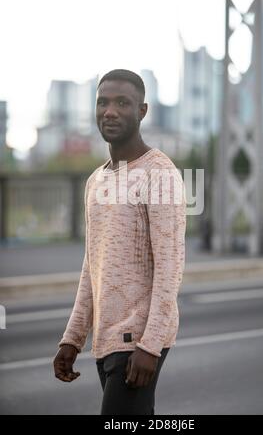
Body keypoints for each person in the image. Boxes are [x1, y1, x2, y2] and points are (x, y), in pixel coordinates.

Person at [53, 69, 186, 415]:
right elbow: (91, 265)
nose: (109, 111)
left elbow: (171, 267)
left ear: (142, 111)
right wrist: (73, 338)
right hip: (105, 339)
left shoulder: (159, 173)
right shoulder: (96, 181)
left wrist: (151, 346)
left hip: (138, 342)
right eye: (102, 102)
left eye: (122, 103)